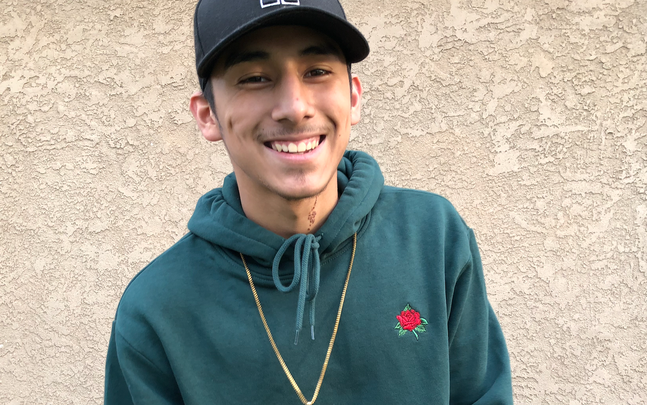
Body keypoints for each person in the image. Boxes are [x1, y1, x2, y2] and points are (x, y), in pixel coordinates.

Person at [104, 0, 513, 403]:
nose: (295, 108)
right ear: (207, 114)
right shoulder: (156, 308)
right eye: (255, 78)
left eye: (317, 71)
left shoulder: (433, 238)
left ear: (353, 97)